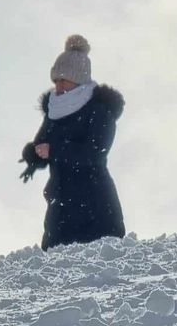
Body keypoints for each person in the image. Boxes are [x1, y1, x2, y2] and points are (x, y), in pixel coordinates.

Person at [20, 34, 126, 249]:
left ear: (78, 78)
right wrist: (33, 155)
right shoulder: (54, 110)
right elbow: (43, 147)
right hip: (61, 203)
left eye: (63, 79)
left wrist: (54, 150)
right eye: (56, 79)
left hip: (95, 202)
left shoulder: (99, 109)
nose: (58, 85)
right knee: (56, 270)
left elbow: (95, 153)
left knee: (102, 269)